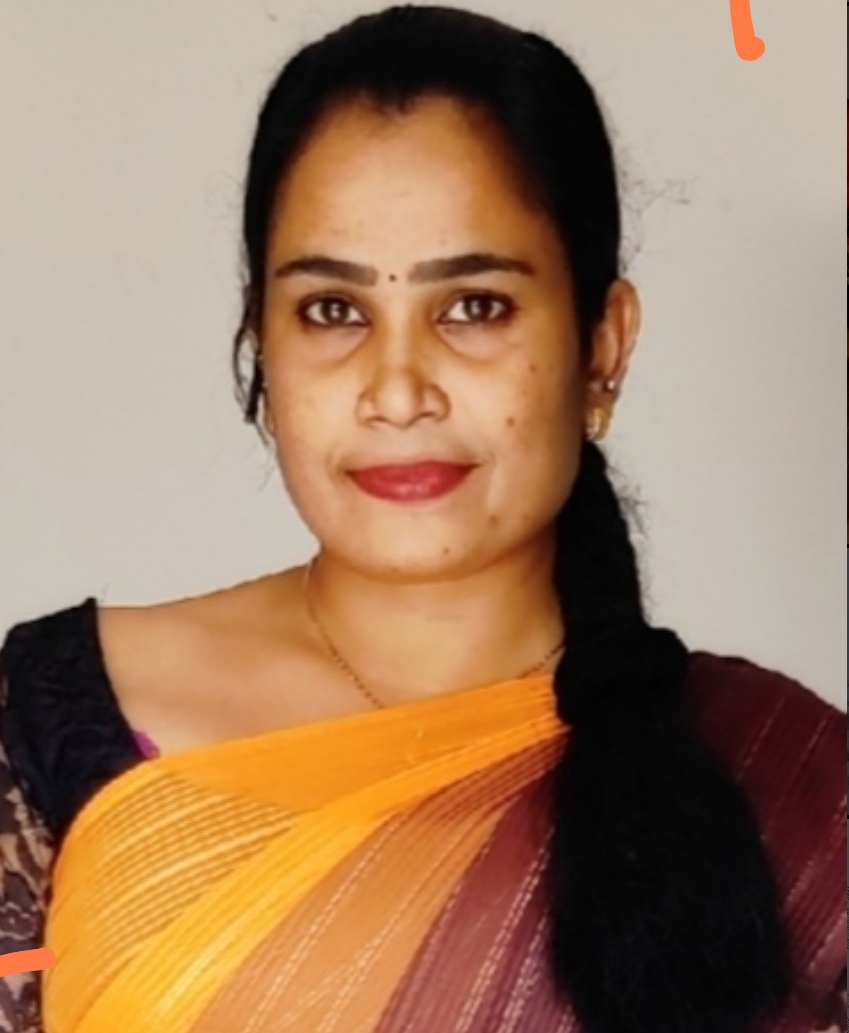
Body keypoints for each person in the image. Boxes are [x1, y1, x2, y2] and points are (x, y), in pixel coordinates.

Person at [0, 7, 844, 1032]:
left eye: (474, 306)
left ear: (602, 345)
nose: (397, 391)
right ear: (260, 343)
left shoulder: (789, 785)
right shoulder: (49, 729)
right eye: (333, 311)